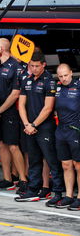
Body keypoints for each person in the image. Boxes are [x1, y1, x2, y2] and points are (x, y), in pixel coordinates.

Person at [16, 51, 64, 206]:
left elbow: (48, 108)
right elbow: (21, 104)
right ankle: (33, 189)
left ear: (43, 64)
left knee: (51, 160)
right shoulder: (27, 80)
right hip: (29, 127)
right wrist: (26, 124)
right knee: (34, 159)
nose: (34, 68)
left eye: (37, 66)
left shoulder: (49, 81)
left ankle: (57, 191)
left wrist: (34, 125)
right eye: (32, 66)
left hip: (44, 127)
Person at [0, 38, 27, 192]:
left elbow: (15, 94)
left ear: (1, 48)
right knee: (1, 145)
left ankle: (23, 180)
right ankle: (7, 179)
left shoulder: (15, 66)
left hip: (9, 112)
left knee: (13, 145)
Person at [54, 63, 80, 210]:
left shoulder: (78, 86)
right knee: (66, 165)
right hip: (61, 130)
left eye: (66, 75)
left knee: (78, 166)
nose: (64, 78)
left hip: (75, 130)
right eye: (61, 76)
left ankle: (79, 197)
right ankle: (69, 196)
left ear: (71, 73)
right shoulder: (56, 88)